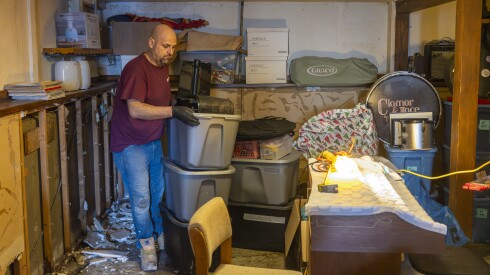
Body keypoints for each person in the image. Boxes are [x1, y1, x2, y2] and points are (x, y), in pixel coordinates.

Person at [110, 24, 199, 272]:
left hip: (152, 142)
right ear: (151, 43)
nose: (170, 51)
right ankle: (146, 244)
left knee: (157, 194)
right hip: (130, 144)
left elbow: (160, 99)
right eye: (165, 45)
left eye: (173, 47)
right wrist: (173, 111)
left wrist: (179, 104)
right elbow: (135, 109)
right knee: (141, 199)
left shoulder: (163, 66)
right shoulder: (136, 69)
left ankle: (159, 234)